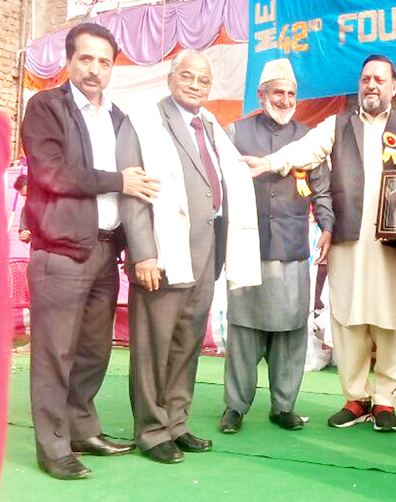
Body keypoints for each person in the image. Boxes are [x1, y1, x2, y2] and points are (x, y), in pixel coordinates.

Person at [242, 54, 396, 432]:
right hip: (347, 237)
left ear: (393, 87)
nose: (371, 85)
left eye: (379, 79)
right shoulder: (338, 125)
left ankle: (385, 400)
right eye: (366, 79)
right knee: (347, 318)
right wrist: (270, 162)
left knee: (387, 319)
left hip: (391, 242)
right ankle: (355, 397)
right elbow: (306, 150)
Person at [21, 23, 160, 480]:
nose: (94, 69)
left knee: (94, 352)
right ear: (69, 61)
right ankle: (53, 446)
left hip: (105, 251)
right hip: (61, 252)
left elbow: (140, 180)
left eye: (104, 61)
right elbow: (52, 173)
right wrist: (117, 181)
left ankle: (82, 430)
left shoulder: (119, 118)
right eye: (86, 58)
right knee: (54, 355)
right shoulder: (46, 107)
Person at [116, 49, 259, 463]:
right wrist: (143, 253)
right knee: (153, 348)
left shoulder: (210, 125)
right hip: (163, 256)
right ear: (170, 78)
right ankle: (151, 431)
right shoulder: (142, 121)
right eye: (188, 76)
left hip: (205, 254)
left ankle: (176, 423)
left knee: (186, 346)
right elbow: (133, 193)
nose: (196, 85)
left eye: (204, 80)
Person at [219, 59, 334, 433]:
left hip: (292, 248)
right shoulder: (235, 132)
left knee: (290, 330)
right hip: (246, 249)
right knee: (243, 331)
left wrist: (328, 226)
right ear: (261, 95)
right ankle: (235, 407)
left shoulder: (309, 137)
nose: (285, 100)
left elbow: (322, 190)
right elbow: (219, 186)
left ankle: (283, 406)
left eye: (290, 93)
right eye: (278, 92)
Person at [13, 175, 31, 243]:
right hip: (38, 248)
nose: (26, 198)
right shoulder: (25, 210)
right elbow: (24, 233)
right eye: (24, 195)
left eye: (28, 194)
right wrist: (23, 236)